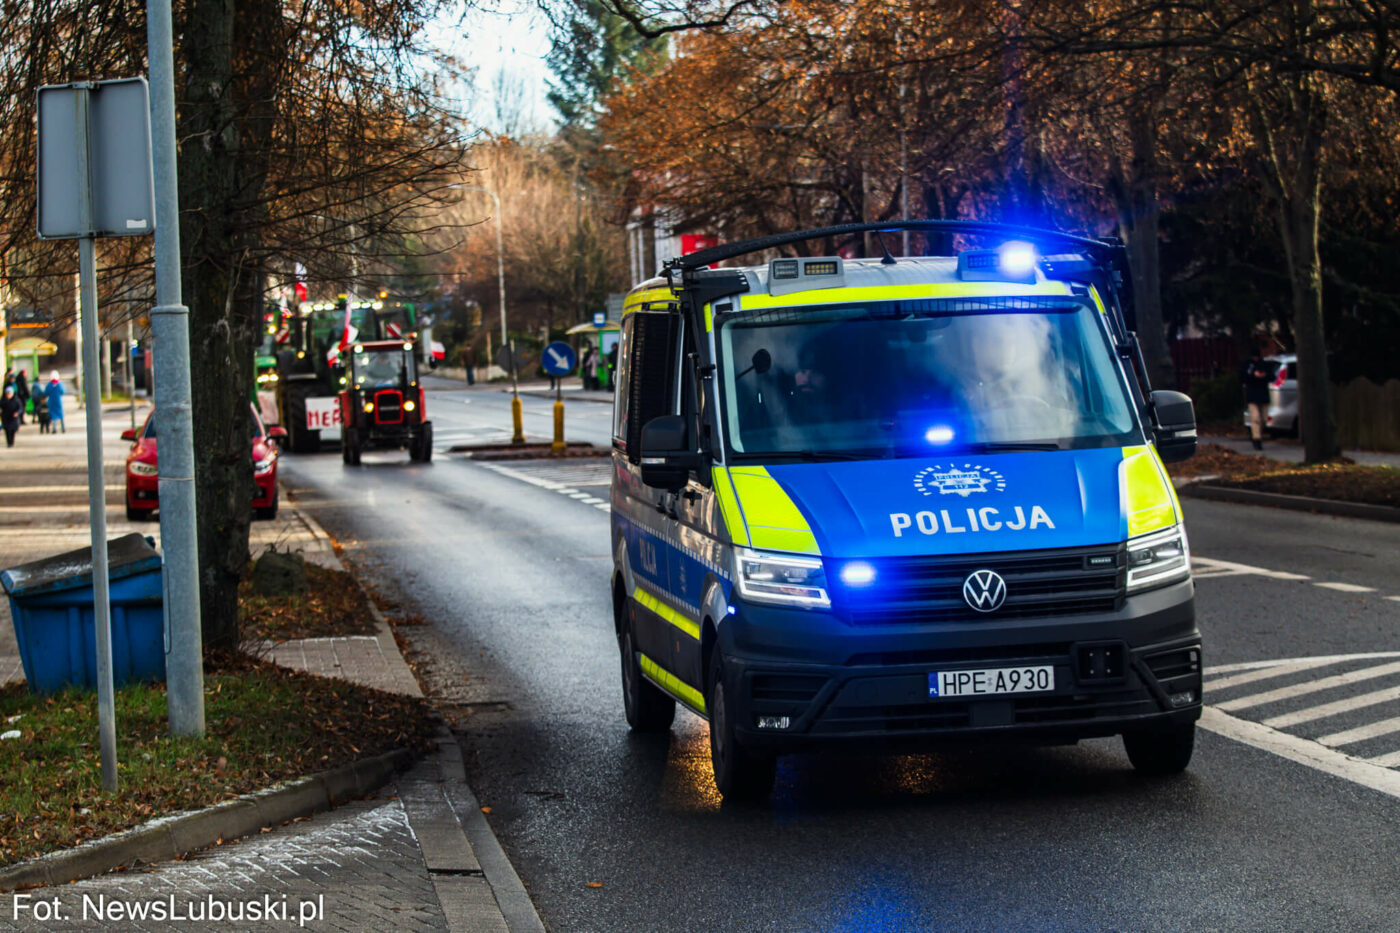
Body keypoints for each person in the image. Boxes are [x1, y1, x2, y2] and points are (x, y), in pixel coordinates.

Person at [1240, 349, 1272, 451]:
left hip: (1263, 395)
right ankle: (1257, 439)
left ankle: (1257, 434)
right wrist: (1253, 375)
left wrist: (1265, 375)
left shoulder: (1264, 364)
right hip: (1252, 396)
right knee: (1255, 418)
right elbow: (1242, 377)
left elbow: (1272, 376)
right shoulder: (1247, 365)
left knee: (1264, 419)